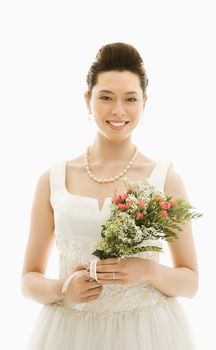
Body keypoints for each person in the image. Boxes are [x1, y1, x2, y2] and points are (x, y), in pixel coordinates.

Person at [22, 42, 198, 350]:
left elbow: (190, 282)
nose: (118, 110)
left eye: (130, 99)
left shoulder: (166, 179)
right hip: (70, 334)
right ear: (87, 100)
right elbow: (28, 280)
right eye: (106, 97)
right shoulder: (52, 179)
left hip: (147, 333)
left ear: (145, 103)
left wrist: (147, 270)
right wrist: (63, 289)